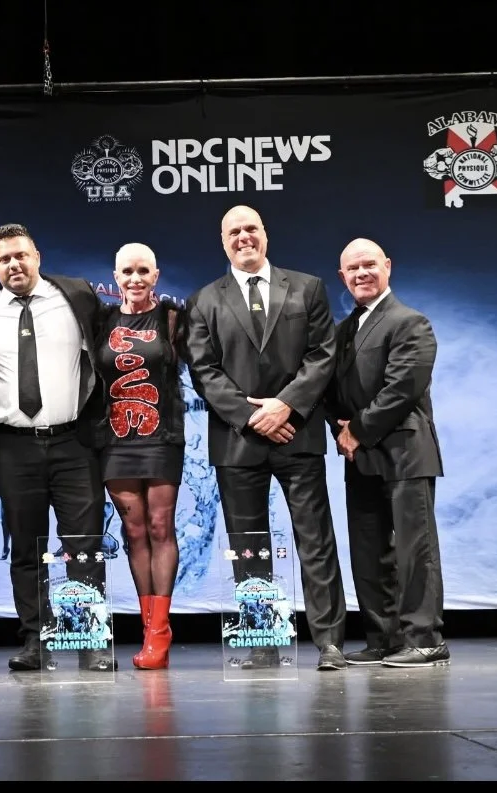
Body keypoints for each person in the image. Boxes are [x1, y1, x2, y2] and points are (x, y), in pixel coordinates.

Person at [0, 223, 110, 672]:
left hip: (74, 443)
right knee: (26, 549)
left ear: (37, 257)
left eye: (21, 256)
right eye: (4, 259)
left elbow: (120, 333)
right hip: (12, 448)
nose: (14, 264)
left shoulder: (78, 296)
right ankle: (36, 640)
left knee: (83, 545)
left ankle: (90, 638)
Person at [183, 205, 349, 672]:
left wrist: (284, 406)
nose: (243, 237)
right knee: (248, 543)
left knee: (315, 540)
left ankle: (330, 642)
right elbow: (204, 372)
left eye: (250, 228)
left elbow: (322, 357)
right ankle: (262, 638)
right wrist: (251, 416)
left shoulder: (307, 288)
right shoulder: (203, 301)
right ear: (223, 241)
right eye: (234, 232)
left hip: (297, 434)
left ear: (265, 234)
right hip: (239, 441)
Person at [327, 238, 449, 668]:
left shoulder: (410, 322)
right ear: (342, 277)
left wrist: (357, 429)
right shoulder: (341, 332)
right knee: (368, 548)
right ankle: (384, 638)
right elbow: (330, 392)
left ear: (388, 267)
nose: (362, 273)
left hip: (404, 450)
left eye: (369, 265)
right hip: (359, 454)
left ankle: (425, 638)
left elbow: (402, 388)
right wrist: (342, 431)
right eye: (352, 268)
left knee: (414, 549)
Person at [95, 243, 186, 670]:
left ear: (156, 275)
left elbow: (203, 364)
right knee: (134, 532)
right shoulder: (102, 321)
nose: (135, 279)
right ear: (116, 277)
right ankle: (150, 628)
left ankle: (160, 632)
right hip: (116, 441)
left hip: (162, 437)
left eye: (143, 271)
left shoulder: (172, 318)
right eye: (127, 271)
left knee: (159, 526)